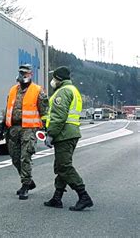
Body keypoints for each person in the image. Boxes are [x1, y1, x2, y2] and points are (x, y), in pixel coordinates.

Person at [44, 66, 94, 211]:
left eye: (54, 78)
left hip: (64, 134)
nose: (52, 81)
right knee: (61, 166)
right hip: (70, 133)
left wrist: (51, 134)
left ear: (59, 79)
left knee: (64, 166)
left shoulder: (63, 91)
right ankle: (57, 197)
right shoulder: (73, 90)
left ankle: (83, 196)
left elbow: (59, 116)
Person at [0, 64, 48, 200]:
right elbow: (8, 108)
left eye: (25, 74)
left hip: (29, 128)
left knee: (25, 156)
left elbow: (45, 112)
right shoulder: (13, 90)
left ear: (30, 75)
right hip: (13, 128)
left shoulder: (38, 91)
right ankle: (28, 181)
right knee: (15, 158)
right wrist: (2, 125)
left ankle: (25, 185)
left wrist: (46, 129)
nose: (23, 76)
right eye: (21, 73)